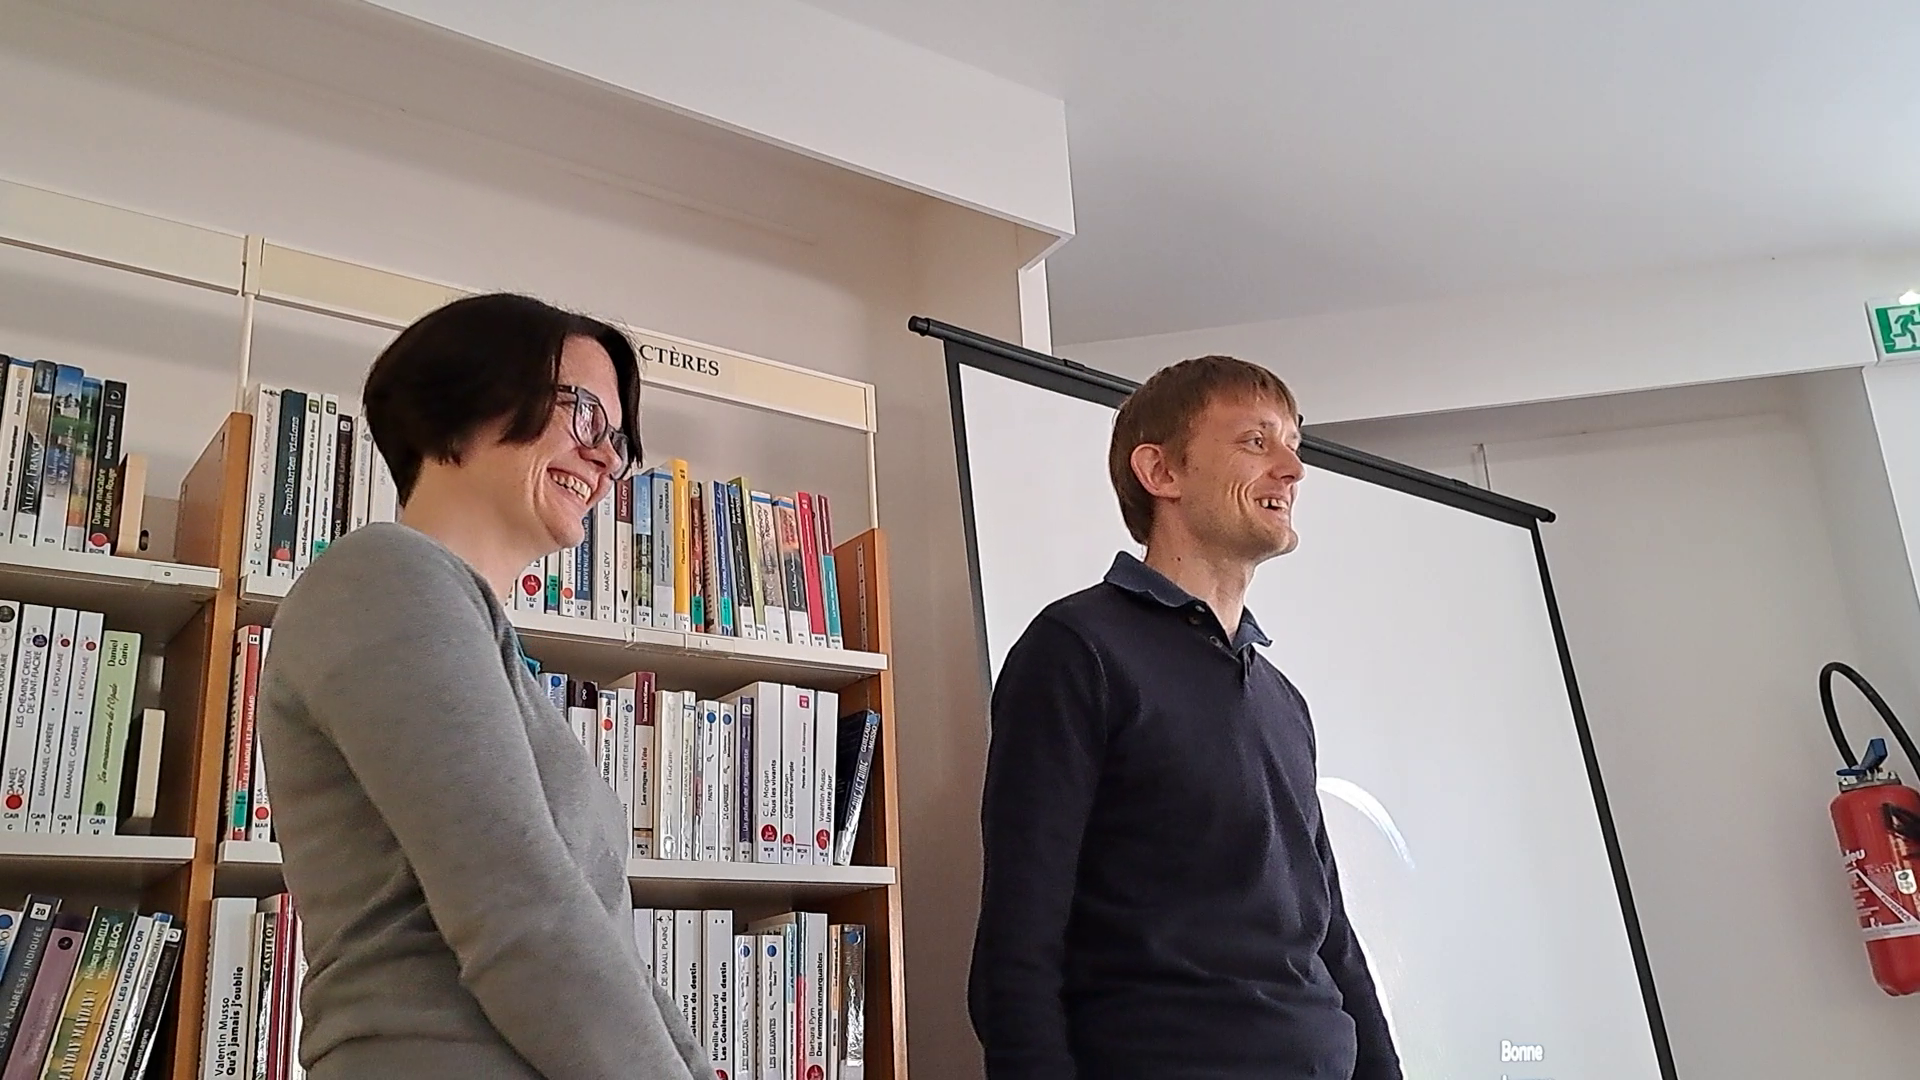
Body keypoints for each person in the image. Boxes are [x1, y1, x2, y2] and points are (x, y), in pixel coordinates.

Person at [256, 293, 707, 1079]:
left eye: (619, 441)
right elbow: (522, 915)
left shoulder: (491, 650)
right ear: (467, 395)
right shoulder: (382, 577)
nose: (607, 460)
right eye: (586, 414)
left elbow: (597, 943)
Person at [968, 355, 1402, 1080]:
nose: (1293, 469)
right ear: (1161, 472)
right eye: (1256, 442)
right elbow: (1018, 944)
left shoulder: (1283, 701)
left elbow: (1333, 944)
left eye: (1293, 444)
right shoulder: (1076, 651)